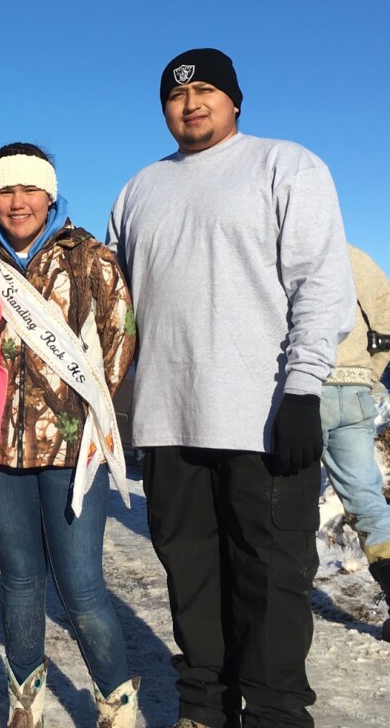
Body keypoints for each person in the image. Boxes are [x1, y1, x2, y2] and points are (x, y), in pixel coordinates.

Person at [106, 48, 356, 728]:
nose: (191, 104)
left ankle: (274, 715)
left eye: (207, 90)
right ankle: (202, 710)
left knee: (270, 585)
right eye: (177, 96)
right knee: (191, 581)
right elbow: (119, 315)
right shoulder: (137, 191)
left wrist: (303, 390)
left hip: (262, 418)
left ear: (236, 100)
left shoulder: (286, 166)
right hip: (167, 423)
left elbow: (322, 287)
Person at [0, 143, 140, 728]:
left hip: (72, 450)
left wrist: (87, 413)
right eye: (4, 190)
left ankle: (117, 705)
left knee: (82, 586)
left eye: (28, 189)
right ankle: (26, 706)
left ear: (50, 193)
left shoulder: (90, 257)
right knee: (19, 580)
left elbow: (120, 340)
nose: (17, 203)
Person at [321, 244, 390, 640]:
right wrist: (368, 374)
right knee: (369, 503)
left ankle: (282, 606)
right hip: (357, 391)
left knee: (286, 499)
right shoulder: (361, 259)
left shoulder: (287, 250)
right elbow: (386, 326)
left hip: (303, 390)